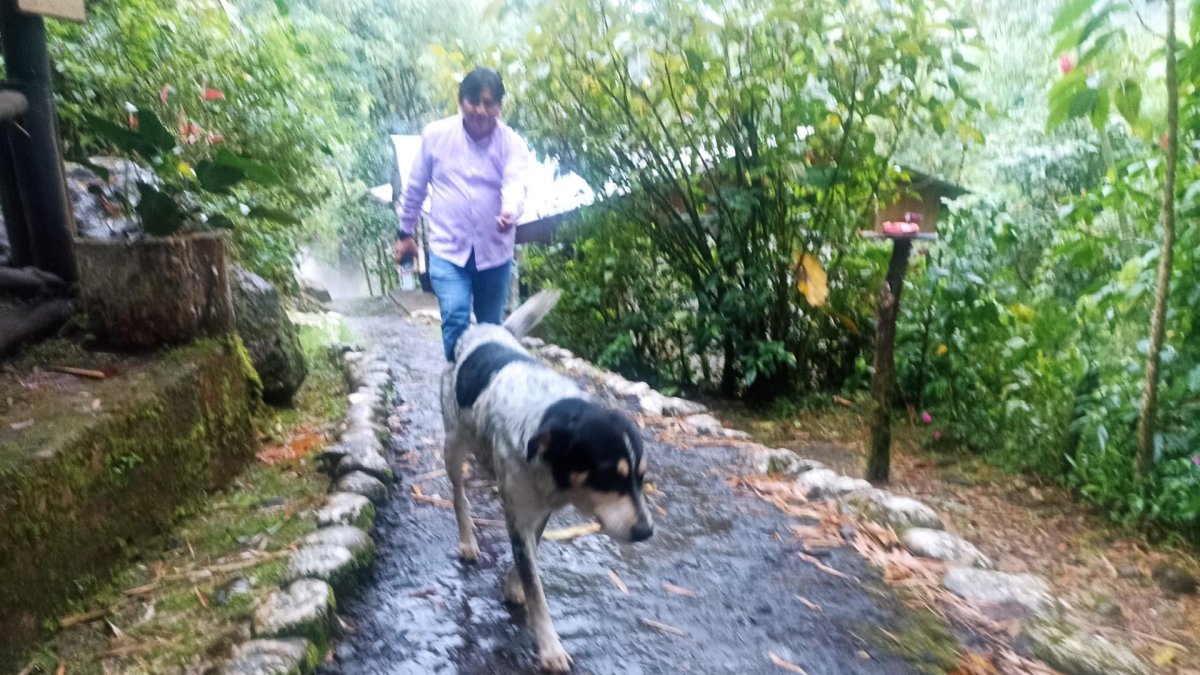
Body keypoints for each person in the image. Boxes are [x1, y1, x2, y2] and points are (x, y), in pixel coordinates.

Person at [395, 67, 532, 361]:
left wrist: (510, 210)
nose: (481, 110)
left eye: (489, 103)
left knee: (490, 330)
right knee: (456, 317)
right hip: (448, 251)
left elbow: (516, 182)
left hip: (494, 254)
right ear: (460, 102)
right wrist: (405, 234)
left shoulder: (512, 144)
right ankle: (457, 392)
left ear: (499, 107)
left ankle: (484, 394)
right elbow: (415, 189)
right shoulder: (435, 137)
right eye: (474, 102)